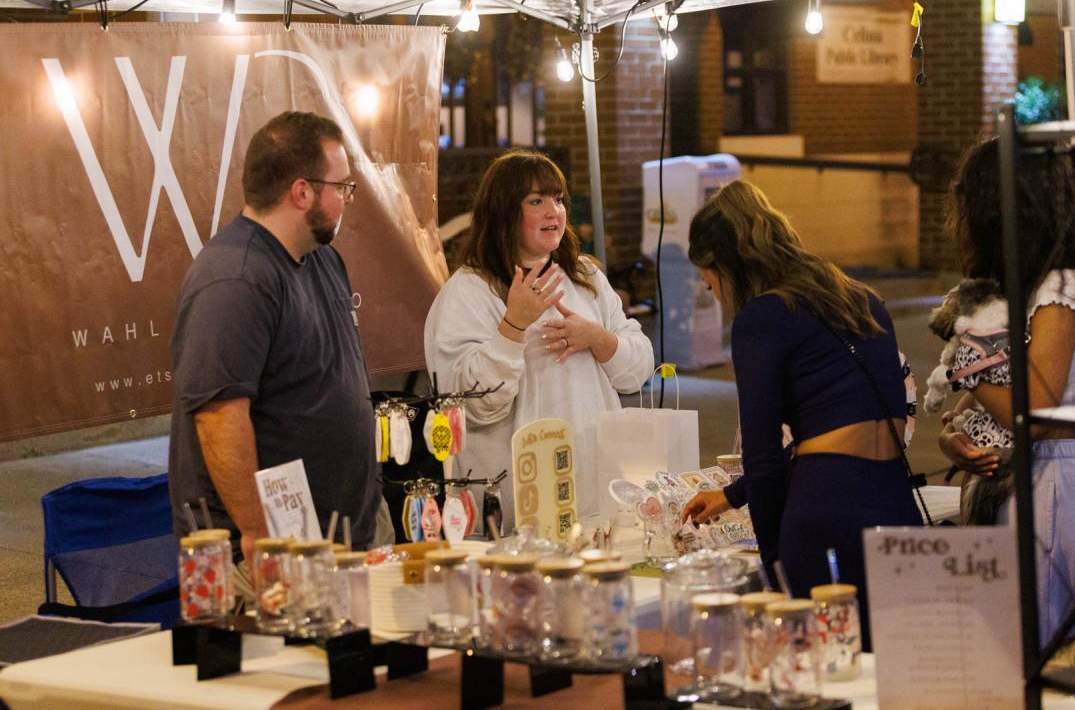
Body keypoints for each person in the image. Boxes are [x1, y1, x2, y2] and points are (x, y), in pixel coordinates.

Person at [935, 138, 1075, 646]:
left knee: (1037, 650)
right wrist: (956, 436)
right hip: (1028, 477)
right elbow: (995, 397)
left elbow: (1034, 411)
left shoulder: (1061, 287)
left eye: (967, 201)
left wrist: (967, 363)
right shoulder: (1031, 286)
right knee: (1016, 646)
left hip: (1054, 482)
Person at [680, 180, 921, 651]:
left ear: (727, 266)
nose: (714, 294)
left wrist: (774, 566)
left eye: (710, 282)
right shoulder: (861, 298)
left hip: (826, 514)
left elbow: (765, 456)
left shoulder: (761, 319)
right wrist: (733, 494)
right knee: (897, 665)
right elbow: (843, 424)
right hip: (894, 501)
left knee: (822, 667)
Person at [168, 111, 385, 562]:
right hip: (273, 552)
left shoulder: (323, 259)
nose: (348, 199)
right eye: (342, 187)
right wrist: (258, 537)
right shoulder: (236, 278)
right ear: (302, 192)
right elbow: (219, 418)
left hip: (340, 536)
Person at [423, 150, 654, 527]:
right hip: (515, 502)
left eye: (558, 199)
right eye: (536, 201)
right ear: (503, 212)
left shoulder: (584, 277)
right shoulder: (468, 292)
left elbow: (638, 370)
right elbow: (470, 405)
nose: (554, 212)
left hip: (593, 491)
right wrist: (513, 327)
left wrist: (597, 338)